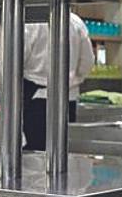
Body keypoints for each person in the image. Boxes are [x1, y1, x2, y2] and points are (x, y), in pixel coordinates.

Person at [22, 11, 94, 149]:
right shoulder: (75, 22)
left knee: (35, 155)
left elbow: (13, 62)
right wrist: (73, 80)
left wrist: (2, 92)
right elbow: (87, 63)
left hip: (36, 101)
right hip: (67, 100)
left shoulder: (31, 22)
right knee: (62, 152)